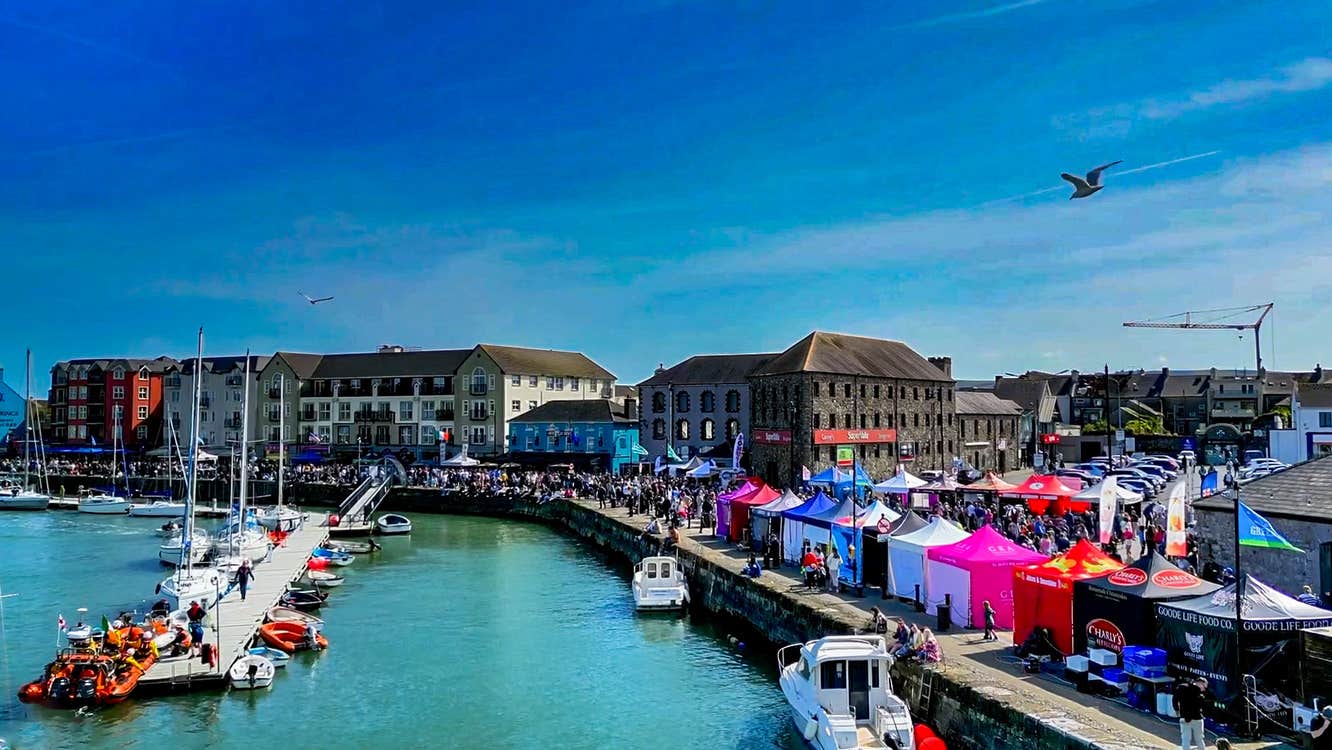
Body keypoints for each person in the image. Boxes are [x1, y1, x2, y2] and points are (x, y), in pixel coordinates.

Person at [1173, 676, 1208, 750]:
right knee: (1199, 740)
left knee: (1185, 739)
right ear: (1200, 684)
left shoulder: (1181, 687)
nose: (1204, 689)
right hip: (1197, 718)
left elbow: (1174, 699)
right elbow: (1201, 705)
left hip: (1185, 718)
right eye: (1204, 687)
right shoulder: (1199, 693)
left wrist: (1176, 710)